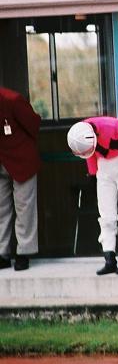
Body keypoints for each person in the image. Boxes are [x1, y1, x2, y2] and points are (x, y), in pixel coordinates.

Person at [67, 116, 118, 275]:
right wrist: (92, 176)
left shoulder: (115, 126)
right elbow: (90, 154)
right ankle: (109, 259)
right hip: (103, 170)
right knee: (106, 217)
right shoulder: (82, 134)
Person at [0, 87, 41, 271]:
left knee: (24, 207)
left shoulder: (12, 100)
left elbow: (34, 124)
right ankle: (2, 253)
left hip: (22, 159)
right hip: (1, 161)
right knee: (1, 209)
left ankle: (24, 252)